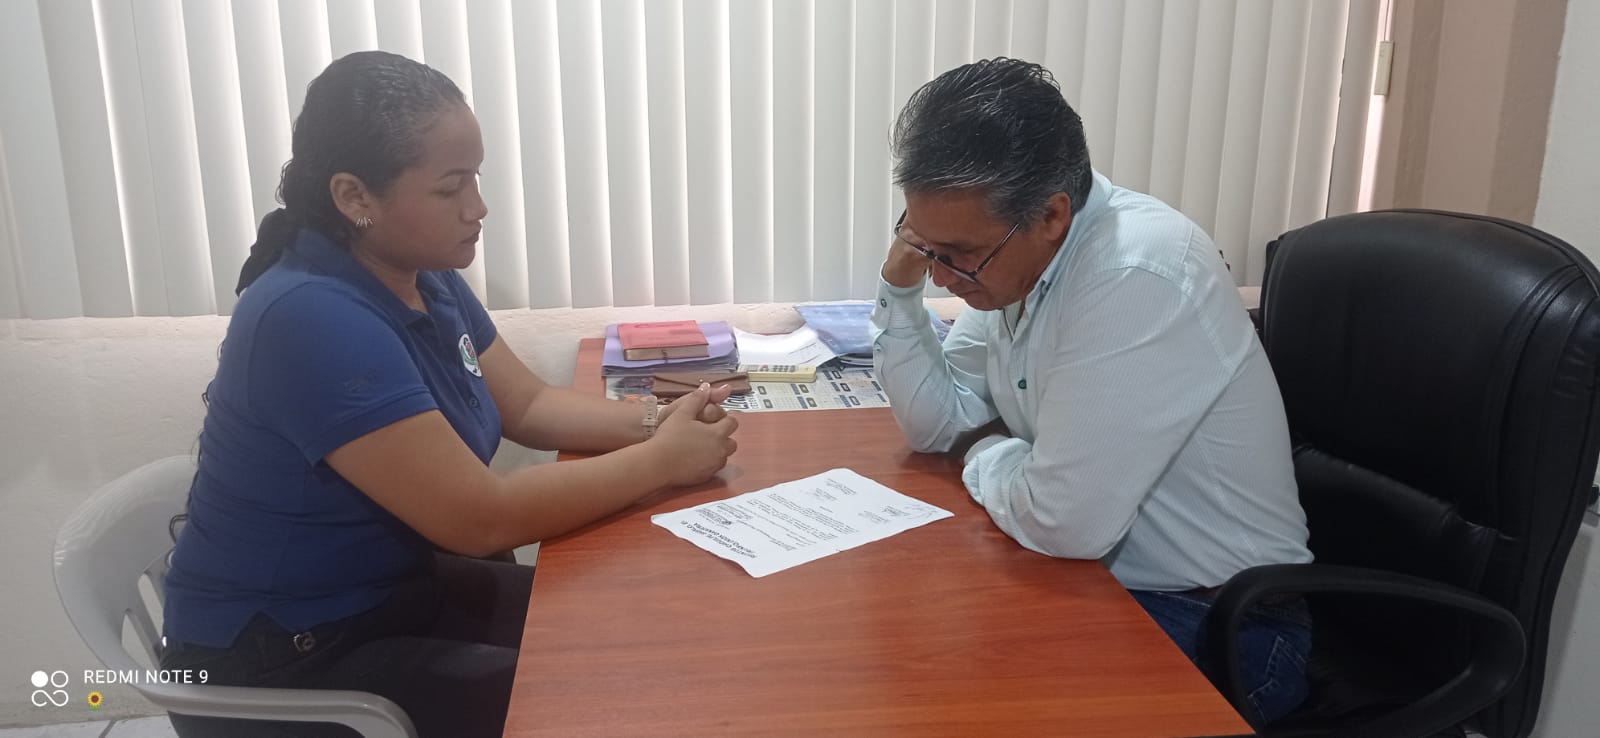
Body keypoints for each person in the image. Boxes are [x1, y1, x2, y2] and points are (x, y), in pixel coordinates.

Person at [159, 51, 739, 738]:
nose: (478, 208)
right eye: (450, 188)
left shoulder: (422, 274)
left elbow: (528, 406)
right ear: (355, 197)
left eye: (476, 179)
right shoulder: (311, 316)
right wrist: (664, 460)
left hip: (387, 591)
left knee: (624, 624)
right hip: (284, 656)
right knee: (595, 694)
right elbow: (480, 520)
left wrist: (655, 421)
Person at [870, 58, 1313, 726]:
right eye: (926, 246)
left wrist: (987, 453)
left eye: (956, 254)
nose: (942, 276)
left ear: (1051, 214)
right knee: (903, 653)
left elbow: (1061, 521)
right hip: (1095, 583)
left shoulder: (1136, 272)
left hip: (1225, 627)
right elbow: (939, 426)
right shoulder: (1014, 265)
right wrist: (898, 289)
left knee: (952, 700)